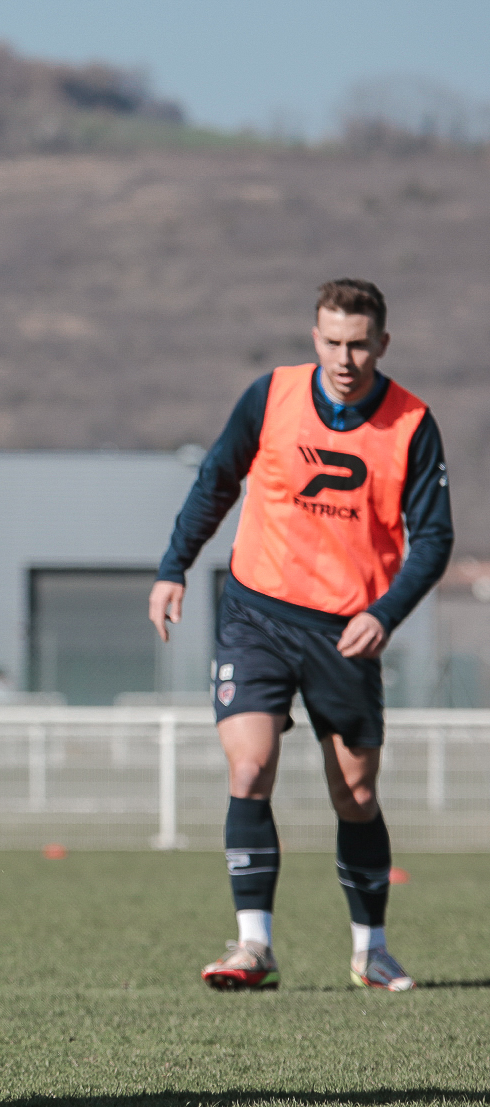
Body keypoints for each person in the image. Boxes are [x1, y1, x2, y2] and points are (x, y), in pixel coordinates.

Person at [149, 278, 452, 993]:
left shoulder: (411, 422)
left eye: (358, 344)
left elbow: (434, 539)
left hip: (349, 630)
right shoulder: (271, 397)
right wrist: (174, 568)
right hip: (256, 613)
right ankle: (254, 945)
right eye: (331, 342)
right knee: (249, 769)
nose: (343, 358)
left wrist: (384, 613)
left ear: (381, 343)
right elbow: (215, 482)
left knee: (354, 791)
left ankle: (370, 947)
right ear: (315, 337)